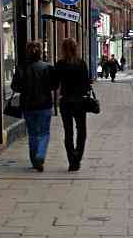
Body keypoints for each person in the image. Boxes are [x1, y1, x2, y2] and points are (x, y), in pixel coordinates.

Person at [12, 41, 57, 172]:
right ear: (41, 52)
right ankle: (40, 155)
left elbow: (14, 86)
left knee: (32, 133)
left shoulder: (21, 68)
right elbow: (55, 86)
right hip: (44, 105)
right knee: (44, 133)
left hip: (28, 106)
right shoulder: (48, 67)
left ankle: (34, 160)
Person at [55, 38, 91, 172]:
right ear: (76, 48)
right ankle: (77, 157)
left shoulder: (60, 64)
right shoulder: (81, 64)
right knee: (82, 131)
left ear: (63, 49)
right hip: (80, 102)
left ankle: (72, 161)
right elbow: (87, 85)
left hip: (65, 102)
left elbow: (54, 83)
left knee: (68, 132)